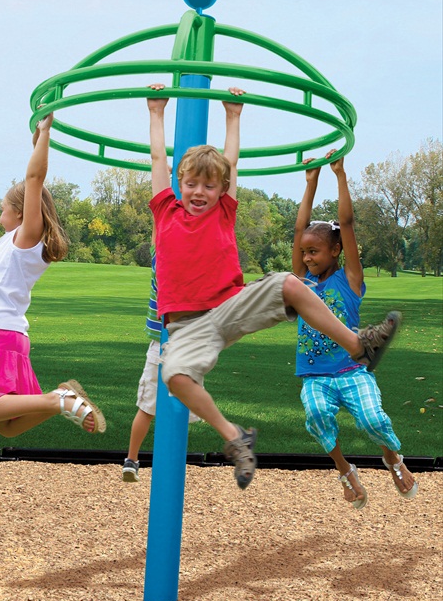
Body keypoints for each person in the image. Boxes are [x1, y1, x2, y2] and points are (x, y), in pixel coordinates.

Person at [147, 83, 401, 491]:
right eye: (192, 184)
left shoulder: (223, 212)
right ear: (180, 182)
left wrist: (234, 115)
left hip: (230, 305)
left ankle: (359, 345)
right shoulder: (165, 211)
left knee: (290, 282)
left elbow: (231, 160)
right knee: (174, 374)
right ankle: (237, 440)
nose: (200, 193)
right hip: (187, 326)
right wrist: (156, 112)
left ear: (221, 190)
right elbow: (159, 156)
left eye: (210, 186)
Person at [0, 113, 106, 438]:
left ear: (20, 212)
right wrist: (36, 142)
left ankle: (57, 400)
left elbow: (34, 179)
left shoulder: (26, 240)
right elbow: (33, 183)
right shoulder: (12, 241)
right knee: (7, 428)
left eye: (3, 208)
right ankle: (59, 399)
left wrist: (45, 133)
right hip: (8, 336)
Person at [292, 150, 418, 507]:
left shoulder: (350, 280)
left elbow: (346, 225)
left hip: (351, 369)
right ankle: (345, 470)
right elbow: (300, 229)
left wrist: (339, 175)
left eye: (314, 252)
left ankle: (392, 458)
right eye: (304, 253)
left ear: (335, 251)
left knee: (374, 419)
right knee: (316, 416)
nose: (306, 258)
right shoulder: (303, 283)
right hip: (315, 375)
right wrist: (310, 182)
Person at [122, 230, 199, 483]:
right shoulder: (194, 268)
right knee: (181, 409)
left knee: (146, 408)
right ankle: (170, 460)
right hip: (187, 348)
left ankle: (132, 459)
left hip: (163, 346)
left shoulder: (162, 259)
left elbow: (159, 229)